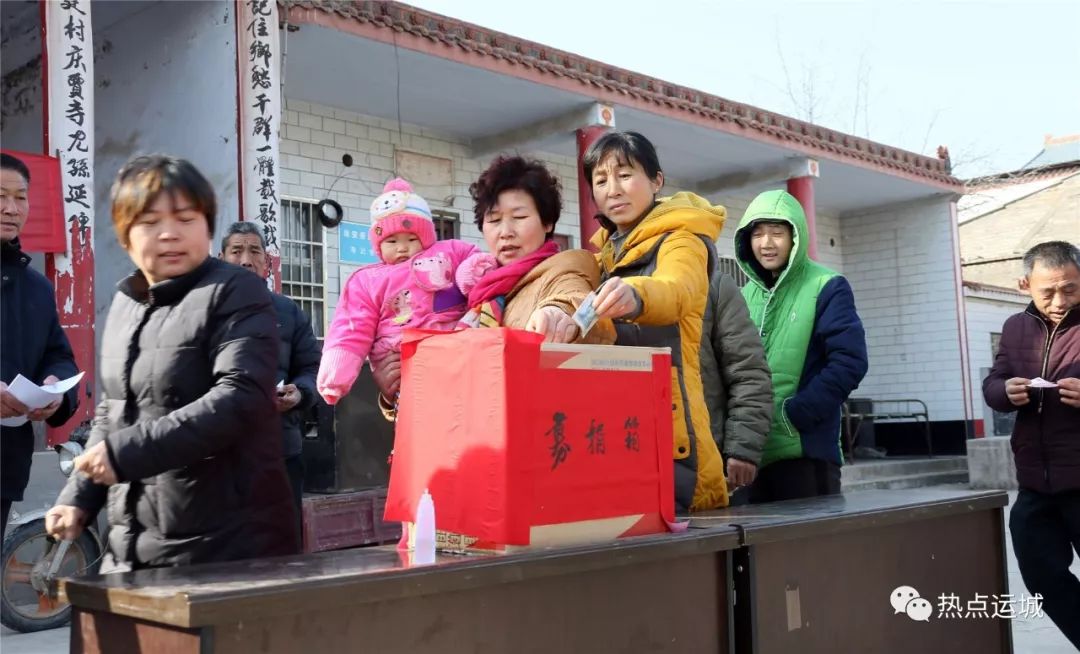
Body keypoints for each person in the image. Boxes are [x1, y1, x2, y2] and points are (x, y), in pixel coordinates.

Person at [46, 155, 297, 570]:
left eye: (184, 218)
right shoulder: (126, 302)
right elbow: (113, 412)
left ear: (208, 227)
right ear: (125, 236)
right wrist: (79, 496)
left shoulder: (237, 292)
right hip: (131, 544)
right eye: (148, 222)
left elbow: (241, 397)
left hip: (227, 547)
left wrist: (123, 455)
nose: (168, 234)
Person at [371, 155, 615, 416]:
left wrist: (559, 314)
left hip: (534, 431)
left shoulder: (565, 266)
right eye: (495, 220)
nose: (505, 231)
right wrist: (392, 393)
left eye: (519, 217)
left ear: (547, 223)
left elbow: (574, 297)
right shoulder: (472, 286)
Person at [584, 130, 728, 512]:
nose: (613, 189)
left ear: (656, 180)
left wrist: (636, 295)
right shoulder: (601, 257)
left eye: (625, 174)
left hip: (672, 432)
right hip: (616, 429)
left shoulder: (682, 239)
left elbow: (677, 290)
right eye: (601, 180)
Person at [733, 189, 868, 503]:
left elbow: (850, 361)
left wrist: (795, 414)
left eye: (777, 233)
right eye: (758, 233)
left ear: (796, 237)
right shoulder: (742, 296)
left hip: (805, 450)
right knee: (755, 550)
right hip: (750, 453)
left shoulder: (827, 286)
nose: (766, 243)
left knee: (811, 550)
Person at [983, 240, 1080, 648]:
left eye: (1071, 289)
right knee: (1040, 575)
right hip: (1036, 482)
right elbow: (992, 383)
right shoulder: (1014, 328)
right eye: (1048, 291)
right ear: (1026, 284)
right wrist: (1006, 390)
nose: (1060, 301)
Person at [316, 178, 479, 407]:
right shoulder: (367, 280)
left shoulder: (447, 253)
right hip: (401, 363)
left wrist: (475, 274)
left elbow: (473, 262)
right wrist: (335, 376)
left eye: (412, 239)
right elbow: (351, 328)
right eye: (391, 241)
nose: (402, 248)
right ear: (377, 245)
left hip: (459, 358)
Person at [220, 221, 320, 537]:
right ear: (221, 258)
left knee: (281, 551)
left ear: (267, 263)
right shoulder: (203, 312)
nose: (246, 260)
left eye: (254, 251)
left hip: (279, 454)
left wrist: (301, 393)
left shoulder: (289, 313)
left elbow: (313, 370)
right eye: (236, 251)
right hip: (219, 457)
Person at [1, 153, 80, 538]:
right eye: (0, 195)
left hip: (5, 462)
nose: (10, 208)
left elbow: (58, 353)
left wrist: (55, 388)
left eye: (20, 197)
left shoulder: (37, 289)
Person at [698, 269, 773, 502]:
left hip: (709, 458)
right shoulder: (605, 278)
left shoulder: (714, 285)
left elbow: (747, 370)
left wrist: (742, 448)